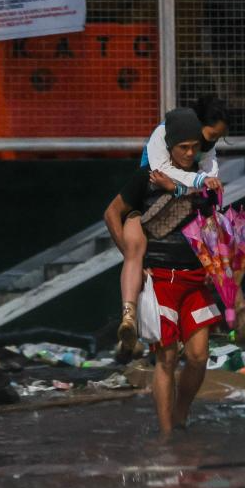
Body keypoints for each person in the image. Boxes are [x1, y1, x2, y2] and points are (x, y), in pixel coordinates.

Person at [114, 97, 245, 363]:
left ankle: (241, 318)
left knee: (222, 249)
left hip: (183, 208)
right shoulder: (167, 146)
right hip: (156, 208)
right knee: (139, 265)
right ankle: (129, 335)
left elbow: (203, 186)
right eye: (210, 136)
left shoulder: (199, 152)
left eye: (214, 139)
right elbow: (165, 182)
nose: (208, 144)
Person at [103, 109, 222, 435]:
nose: (189, 153)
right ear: (168, 146)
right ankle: (168, 435)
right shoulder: (148, 176)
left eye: (193, 147)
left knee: (199, 357)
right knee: (166, 360)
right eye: (182, 147)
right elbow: (112, 213)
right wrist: (130, 256)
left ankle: (181, 415)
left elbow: (209, 222)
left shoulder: (203, 178)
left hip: (196, 279)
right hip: (161, 280)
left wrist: (213, 263)